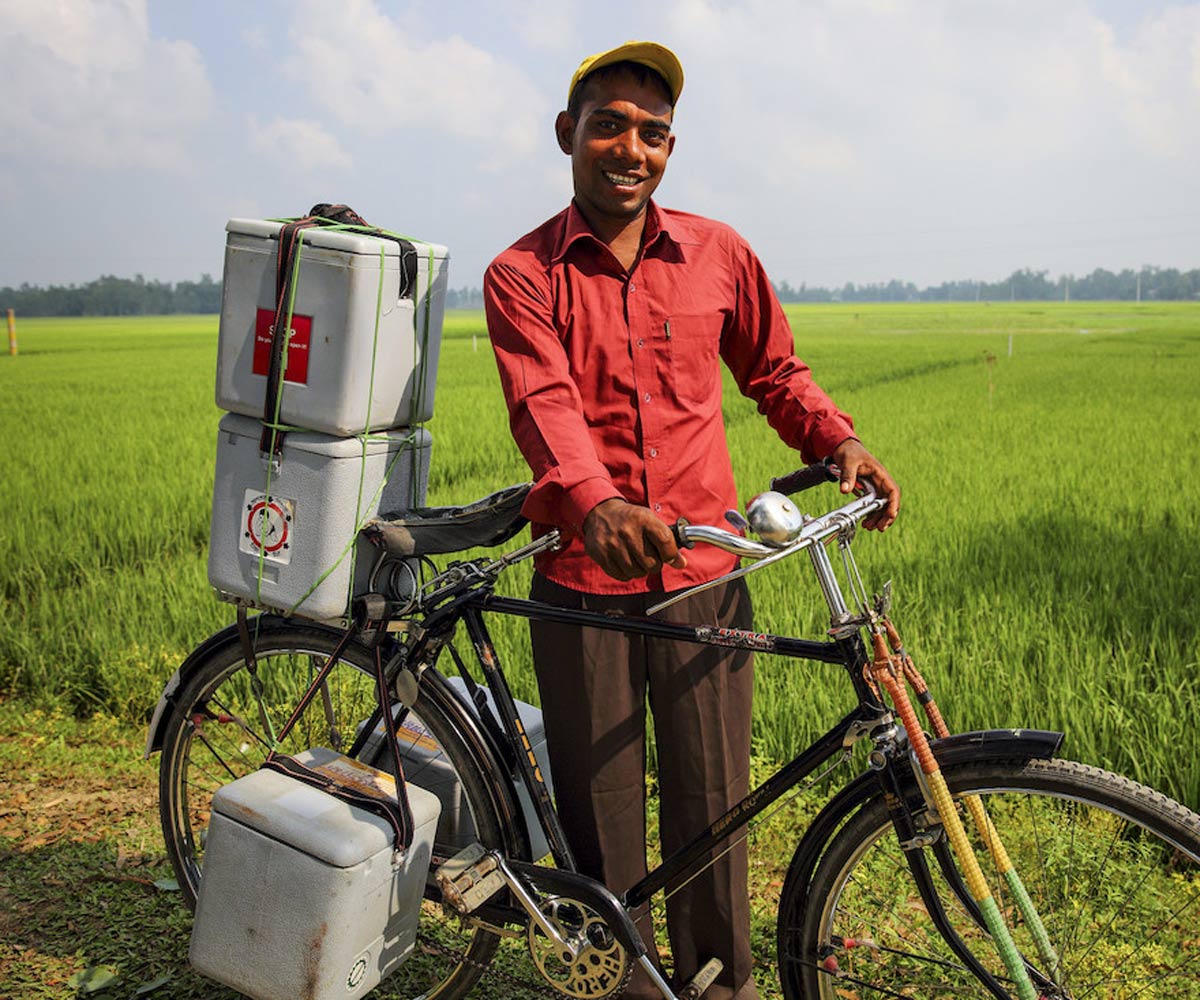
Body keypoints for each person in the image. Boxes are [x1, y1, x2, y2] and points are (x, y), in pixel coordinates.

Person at [484, 40, 899, 1000]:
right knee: (603, 817)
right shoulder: (523, 273)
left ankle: (721, 988)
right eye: (610, 126)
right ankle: (623, 989)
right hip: (583, 584)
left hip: (707, 579)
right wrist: (595, 503)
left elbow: (775, 373)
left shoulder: (718, 253)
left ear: (671, 149)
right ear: (567, 135)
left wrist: (840, 444)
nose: (632, 148)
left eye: (654, 134)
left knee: (716, 805)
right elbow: (543, 404)